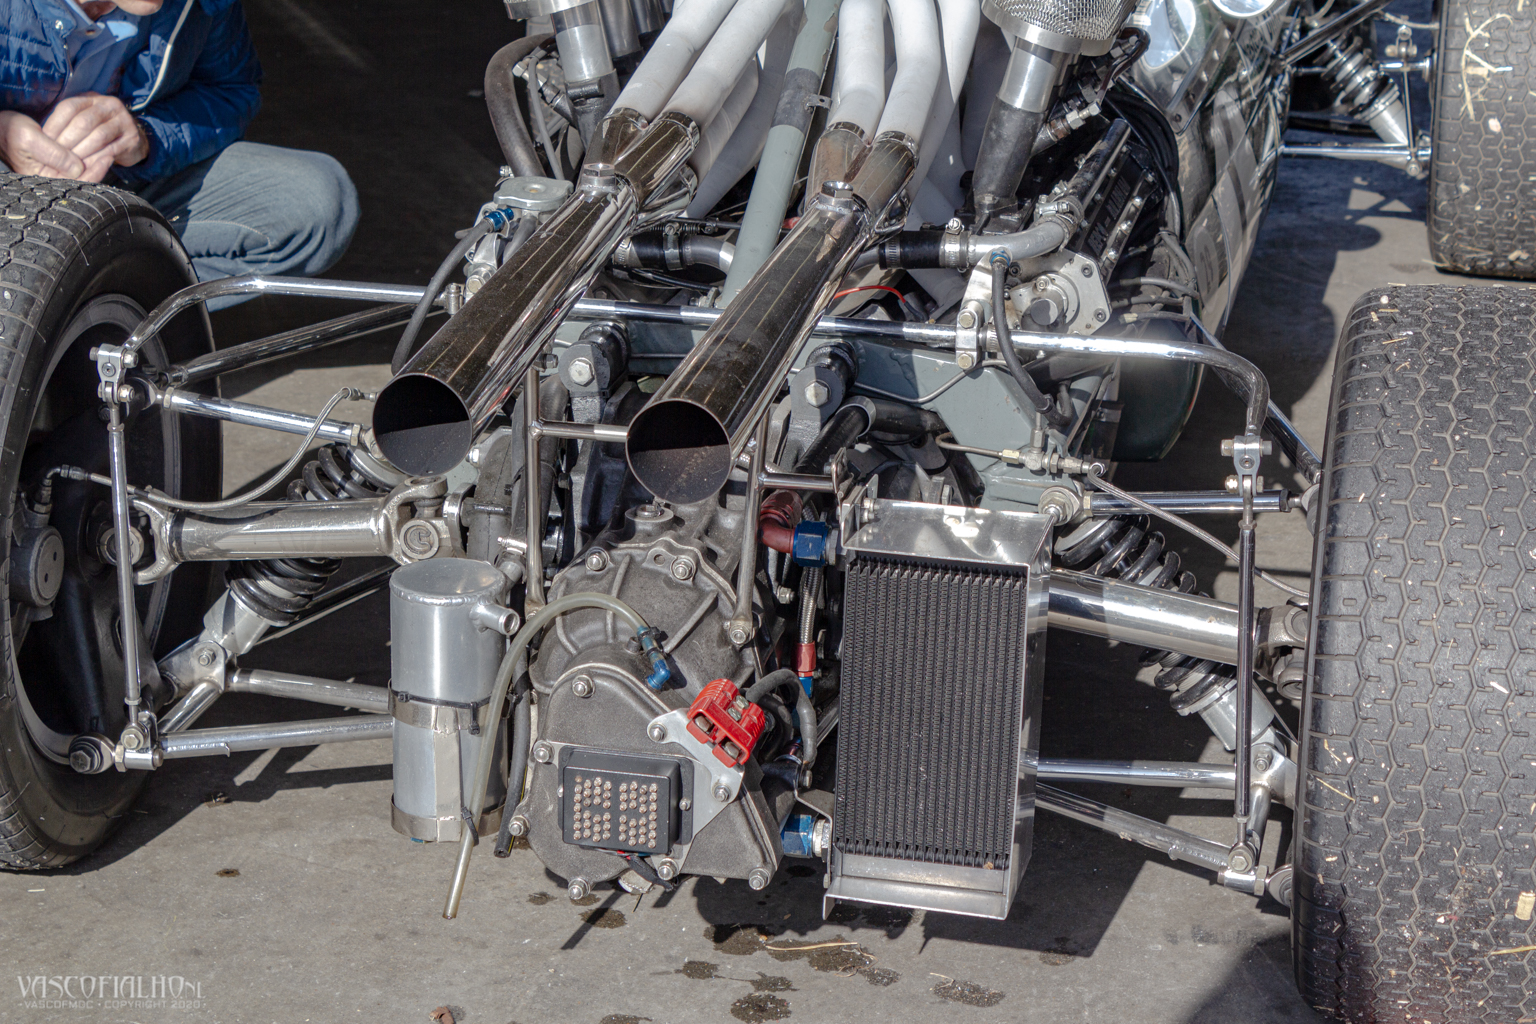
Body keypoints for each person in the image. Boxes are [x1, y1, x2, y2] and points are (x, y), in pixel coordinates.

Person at [0, 0, 358, 291]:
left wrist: (146, 136)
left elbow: (231, 90)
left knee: (317, 203)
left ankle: (111, 313)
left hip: (127, 186)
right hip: (11, 193)